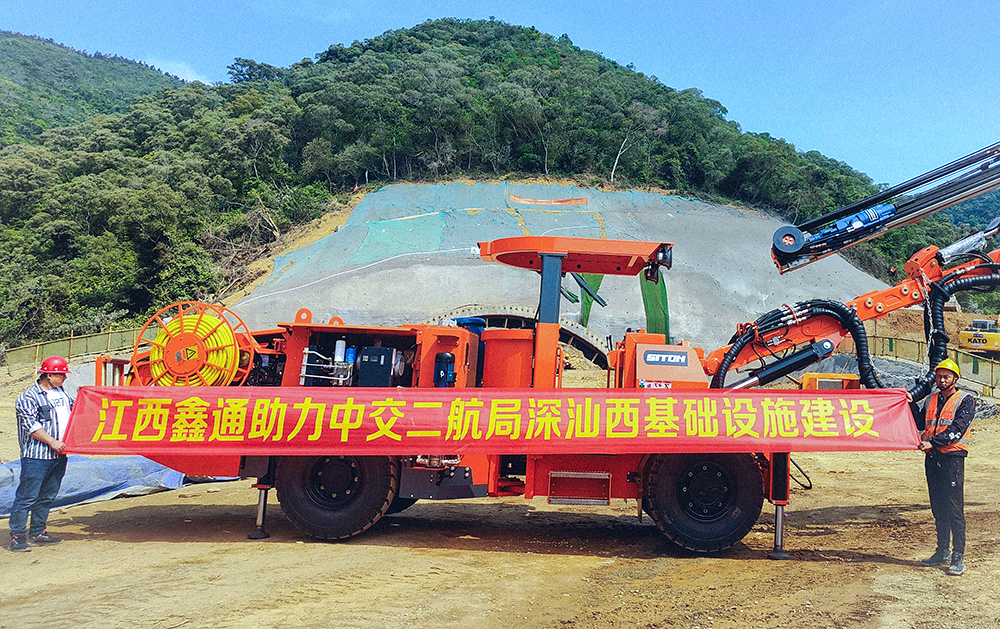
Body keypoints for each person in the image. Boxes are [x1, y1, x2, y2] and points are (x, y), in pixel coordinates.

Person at [910, 358, 975, 576]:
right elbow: (920, 423)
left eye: (946, 376)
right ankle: (942, 551)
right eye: (939, 376)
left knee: (954, 508)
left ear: (955, 379)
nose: (941, 379)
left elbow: (957, 429)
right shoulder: (931, 399)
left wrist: (932, 442)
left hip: (952, 459)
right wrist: (908, 401)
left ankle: (958, 556)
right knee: (938, 507)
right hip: (933, 458)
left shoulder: (965, 400)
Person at [8, 356, 74, 553]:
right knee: (27, 496)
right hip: (37, 456)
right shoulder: (28, 398)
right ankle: (18, 536)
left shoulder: (62, 393)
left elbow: (75, 408)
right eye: (60, 374)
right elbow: (32, 426)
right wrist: (52, 442)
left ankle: (37, 532)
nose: (64, 378)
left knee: (47, 495)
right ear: (48, 375)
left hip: (59, 455)